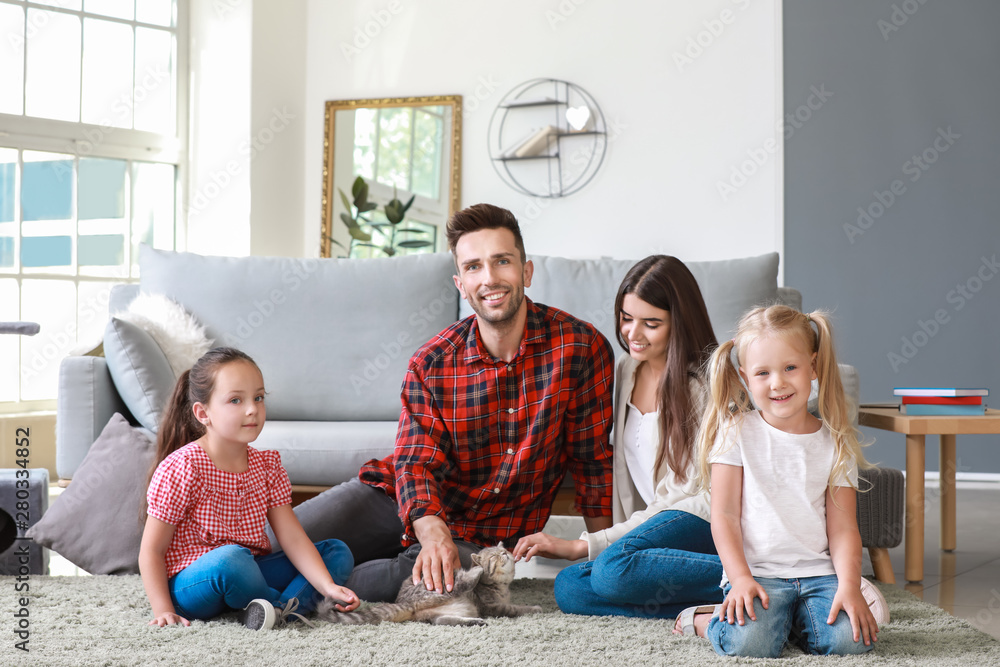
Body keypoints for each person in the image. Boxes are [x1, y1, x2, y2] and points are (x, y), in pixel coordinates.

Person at [289, 203, 616, 601]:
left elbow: (592, 462)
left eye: (502, 261)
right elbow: (415, 462)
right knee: (274, 539)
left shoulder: (581, 349)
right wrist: (432, 532)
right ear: (460, 283)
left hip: (479, 539)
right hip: (397, 500)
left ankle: (298, 587)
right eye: (474, 266)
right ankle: (248, 578)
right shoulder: (431, 362)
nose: (490, 278)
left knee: (446, 584)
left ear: (526, 272)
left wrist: (604, 557)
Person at [512, 255, 724, 618]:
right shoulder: (628, 368)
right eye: (627, 319)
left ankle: (770, 579)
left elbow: (688, 496)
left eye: (651, 323)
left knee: (609, 569)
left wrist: (583, 545)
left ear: (680, 322)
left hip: (703, 519)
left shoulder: (707, 384)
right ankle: (725, 597)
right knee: (571, 588)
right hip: (660, 527)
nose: (632, 334)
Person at [689, 305, 885, 657]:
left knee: (852, 642)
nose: (777, 382)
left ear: (813, 366)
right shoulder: (736, 433)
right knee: (751, 645)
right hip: (758, 574)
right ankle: (706, 620)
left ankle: (791, 621)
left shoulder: (835, 442)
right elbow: (724, 516)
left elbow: (843, 529)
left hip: (819, 575)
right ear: (744, 377)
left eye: (790, 368)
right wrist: (740, 579)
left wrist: (850, 585)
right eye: (763, 373)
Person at [139, 347, 360, 630]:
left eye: (258, 397)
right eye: (235, 400)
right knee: (231, 559)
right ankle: (285, 607)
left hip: (249, 571)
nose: (252, 408)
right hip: (194, 584)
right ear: (202, 412)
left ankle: (275, 612)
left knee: (336, 552)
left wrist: (327, 585)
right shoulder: (183, 467)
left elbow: (291, 537)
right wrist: (163, 610)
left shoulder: (267, 466)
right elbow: (151, 551)